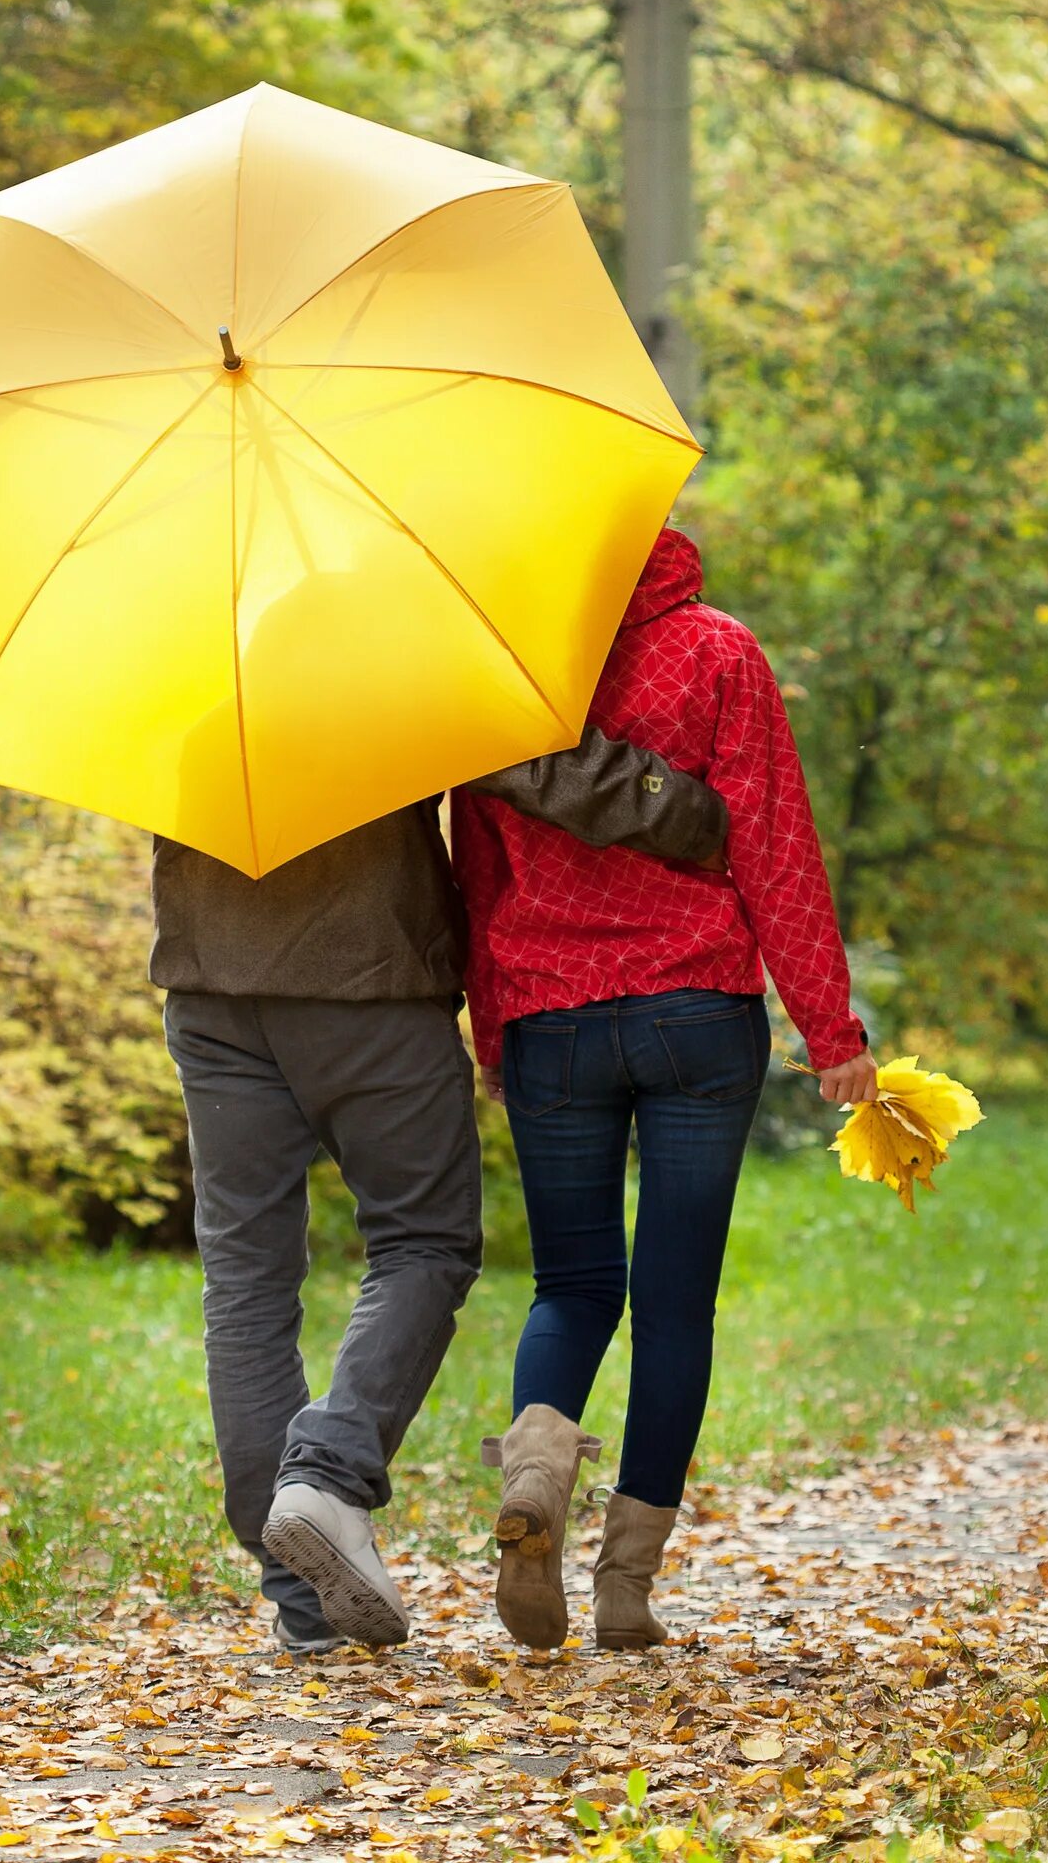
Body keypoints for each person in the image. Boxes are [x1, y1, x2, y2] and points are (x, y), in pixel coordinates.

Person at [154, 730, 727, 1656]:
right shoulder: (385, 638)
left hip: (206, 983)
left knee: (247, 1284)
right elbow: (531, 763)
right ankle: (328, 1477)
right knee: (425, 1242)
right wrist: (696, 813)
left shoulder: (177, 651)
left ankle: (302, 1603)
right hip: (364, 976)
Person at [453, 525, 874, 1651]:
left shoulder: (507, 683)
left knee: (572, 1286)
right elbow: (774, 851)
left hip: (551, 1014)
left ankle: (534, 1485)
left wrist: (496, 1032)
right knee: (674, 1300)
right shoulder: (718, 652)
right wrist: (832, 1031)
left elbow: (477, 869)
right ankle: (625, 1587)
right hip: (698, 1013)